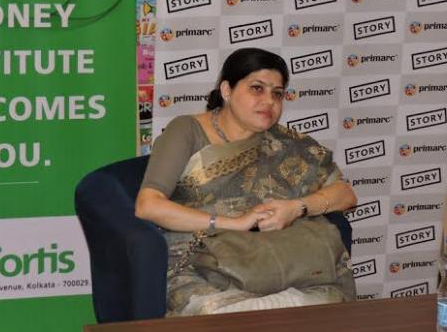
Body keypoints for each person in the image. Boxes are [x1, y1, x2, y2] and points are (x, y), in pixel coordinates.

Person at [135, 47, 358, 316]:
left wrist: (297, 207)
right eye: (257, 88)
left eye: (277, 93)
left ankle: (275, 307)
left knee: (325, 303)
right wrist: (235, 223)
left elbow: (345, 195)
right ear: (226, 90)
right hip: (201, 263)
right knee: (218, 313)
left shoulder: (288, 143)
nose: (269, 101)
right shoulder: (187, 130)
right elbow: (148, 205)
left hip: (278, 262)